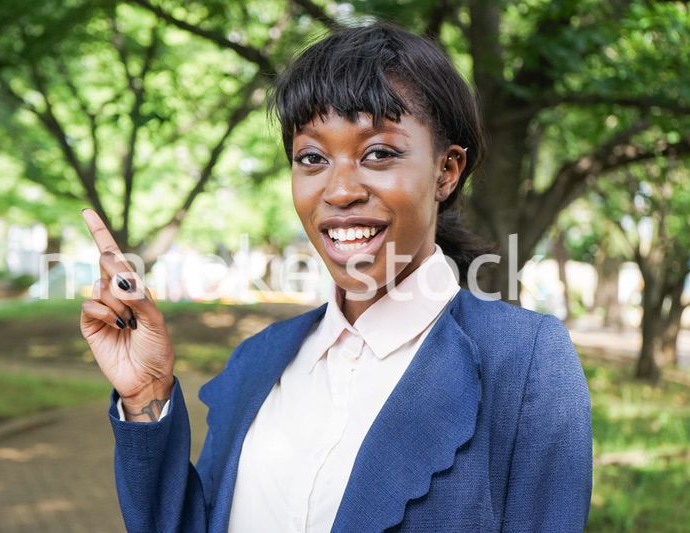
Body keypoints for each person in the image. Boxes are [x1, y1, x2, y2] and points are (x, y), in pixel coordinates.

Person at [79, 22, 592, 533]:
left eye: (379, 153)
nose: (340, 190)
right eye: (312, 158)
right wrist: (146, 394)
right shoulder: (258, 360)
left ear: (447, 171)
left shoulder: (525, 362)